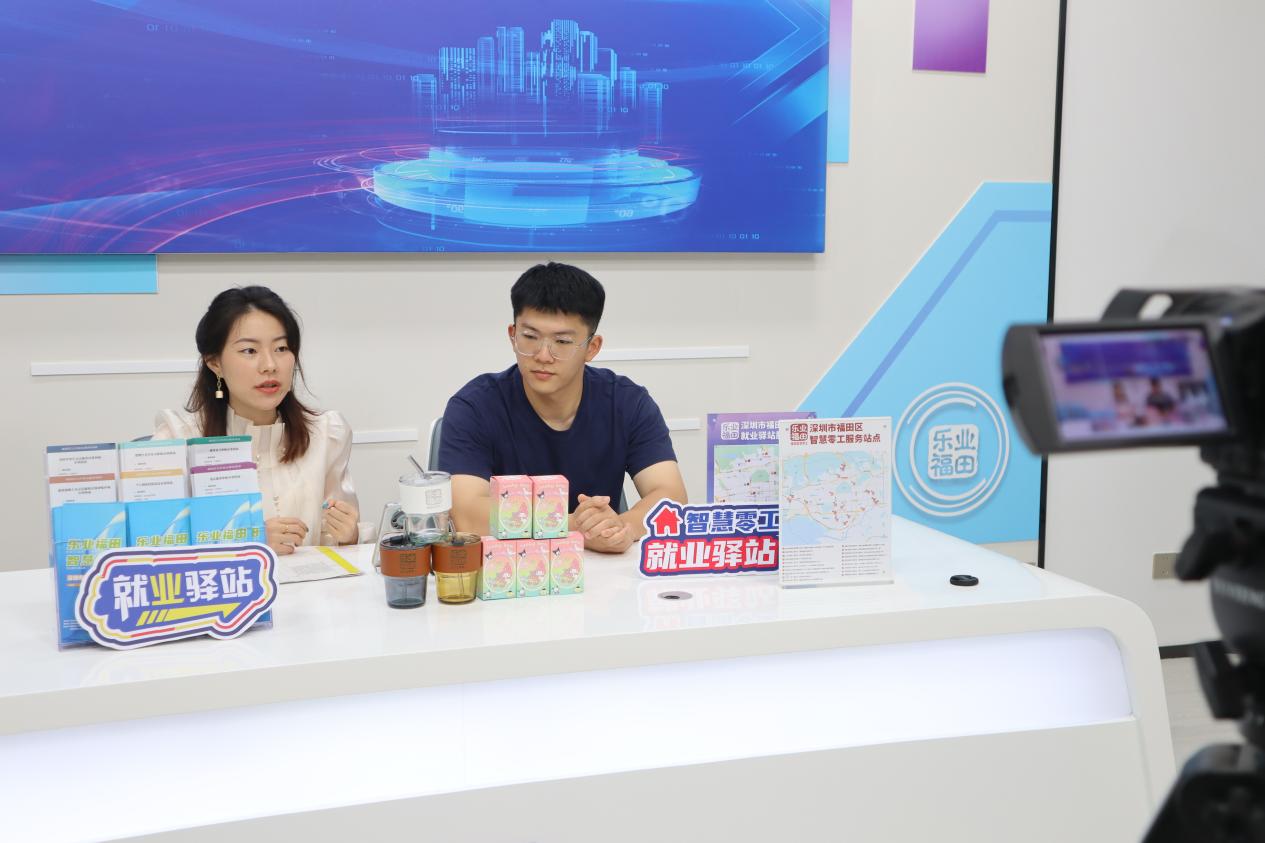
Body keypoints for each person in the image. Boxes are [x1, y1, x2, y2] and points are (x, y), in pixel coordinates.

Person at [438, 262, 688, 553]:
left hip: (602, 571)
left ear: (592, 347)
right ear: (512, 335)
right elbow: (466, 514)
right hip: (510, 570)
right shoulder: (475, 406)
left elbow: (670, 495)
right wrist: (572, 526)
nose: (543, 355)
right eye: (530, 337)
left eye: (562, 341)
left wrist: (622, 527)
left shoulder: (627, 402)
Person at [154, 286, 366, 555]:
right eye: (249, 351)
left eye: (281, 348)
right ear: (215, 363)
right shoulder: (178, 441)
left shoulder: (326, 435)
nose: (270, 365)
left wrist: (350, 536)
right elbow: (157, 548)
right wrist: (249, 541)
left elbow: (338, 543)